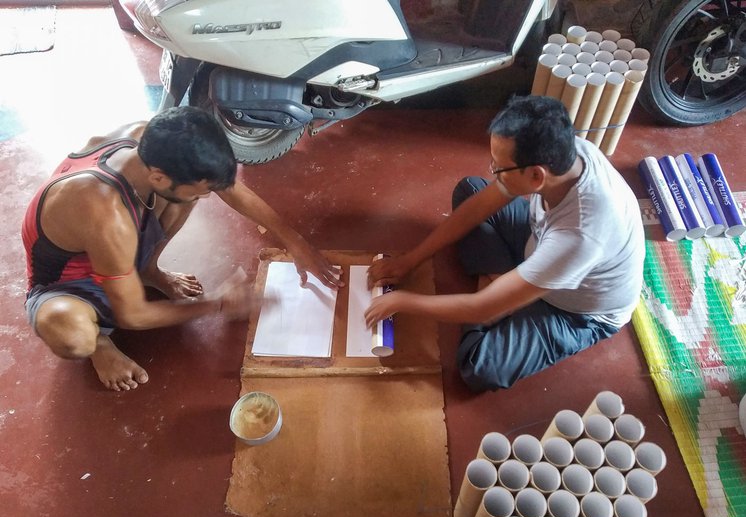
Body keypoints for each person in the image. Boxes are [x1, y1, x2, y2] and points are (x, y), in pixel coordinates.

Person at [22, 106, 343, 392]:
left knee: (184, 196)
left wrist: (295, 242)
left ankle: (149, 272)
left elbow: (225, 188)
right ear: (159, 177)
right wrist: (217, 304)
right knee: (73, 336)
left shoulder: (155, 144)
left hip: (119, 252)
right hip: (69, 283)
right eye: (202, 192)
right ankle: (100, 345)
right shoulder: (103, 212)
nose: (207, 198)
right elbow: (132, 314)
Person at [365, 95, 644, 392]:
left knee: (478, 366)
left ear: (537, 175)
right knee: (469, 191)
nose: (493, 171)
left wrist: (401, 301)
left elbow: (479, 309)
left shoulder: (580, 236)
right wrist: (411, 259)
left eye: (499, 168)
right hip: (542, 245)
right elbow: (478, 206)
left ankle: (504, 288)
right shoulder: (571, 153)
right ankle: (505, 285)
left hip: (574, 309)